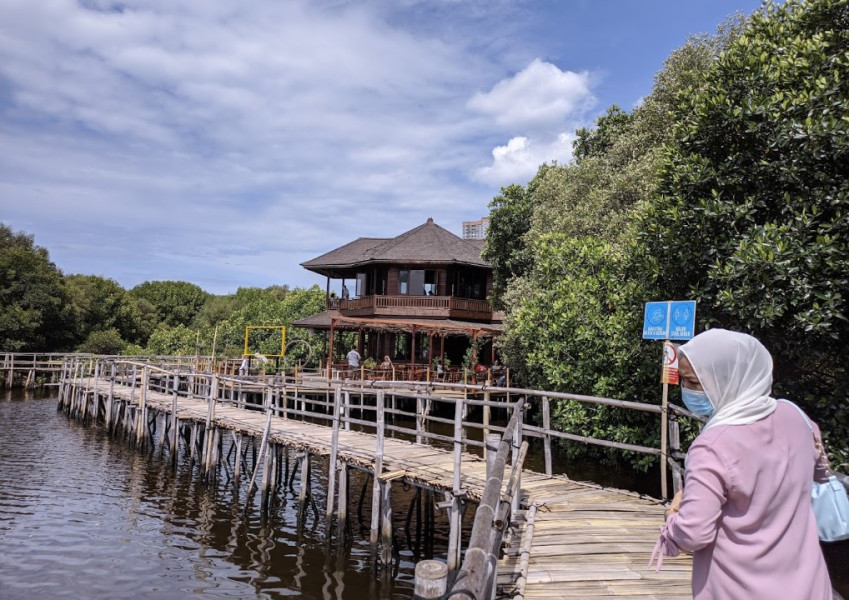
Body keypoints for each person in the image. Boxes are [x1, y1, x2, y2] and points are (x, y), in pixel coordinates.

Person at [651, 329, 832, 599]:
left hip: (740, 587)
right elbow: (819, 473)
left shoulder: (712, 445)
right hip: (809, 585)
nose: (686, 391)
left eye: (693, 382)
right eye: (683, 381)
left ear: (726, 380)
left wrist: (672, 517)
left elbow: (693, 533)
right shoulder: (796, 416)